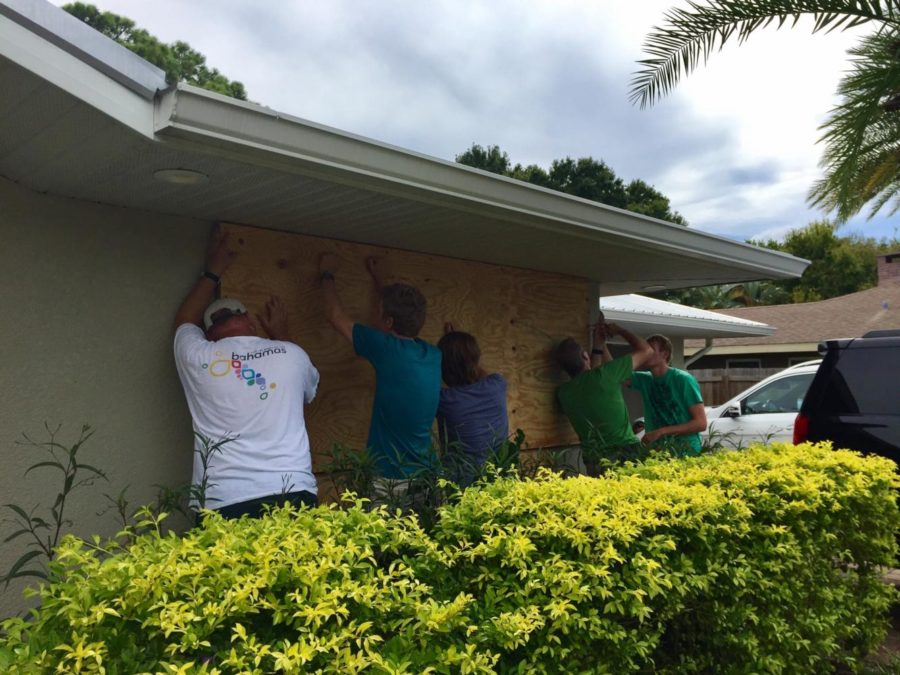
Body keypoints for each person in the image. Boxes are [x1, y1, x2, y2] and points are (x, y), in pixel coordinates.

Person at [173, 228, 320, 519]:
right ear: (250, 322)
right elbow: (306, 394)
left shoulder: (199, 356)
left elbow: (183, 319)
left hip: (225, 498)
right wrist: (281, 335)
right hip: (291, 490)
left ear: (209, 333)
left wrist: (214, 271)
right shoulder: (292, 354)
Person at [319, 254, 441, 497]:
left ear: (387, 322)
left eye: (378, 310)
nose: (373, 313)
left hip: (390, 479)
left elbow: (334, 314)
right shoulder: (433, 355)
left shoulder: (386, 350)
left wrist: (326, 274)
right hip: (427, 474)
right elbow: (398, 320)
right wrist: (381, 281)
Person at [554, 317, 654, 474]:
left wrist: (598, 345)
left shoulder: (563, 393)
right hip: (624, 452)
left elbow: (590, 381)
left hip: (594, 458)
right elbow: (646, 351)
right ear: (585, 357)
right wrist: (620, 330)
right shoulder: (604, 376)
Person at [436, 324, 509, 488]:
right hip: (501, 478)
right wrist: (463, 355)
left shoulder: (444, 400)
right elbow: (479, 372)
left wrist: (450, 356)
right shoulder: (497, 384)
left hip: (463, 487)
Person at [628, 334, 707, 456]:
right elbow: (614, 372)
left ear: (664, 354)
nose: (646, 353)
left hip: (686, 451)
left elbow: (701, 423)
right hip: (659, 452)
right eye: (645, 350)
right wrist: (601, 346)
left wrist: (661, 432)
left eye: (651, 350)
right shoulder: (645, 380)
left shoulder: (683, 379)